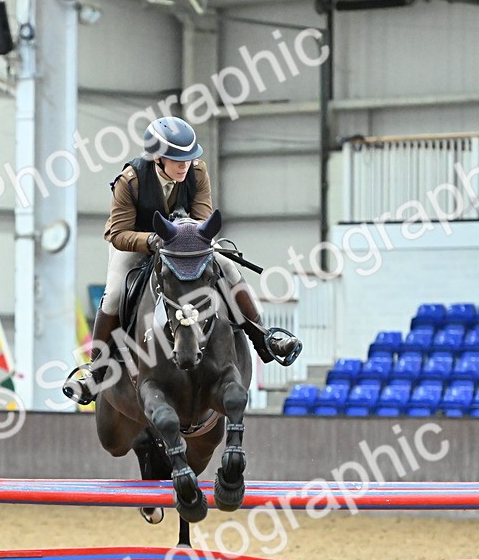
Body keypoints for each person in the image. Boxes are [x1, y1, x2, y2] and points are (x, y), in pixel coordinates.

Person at [63, 116, 301, 405]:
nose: (184, 165)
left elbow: (202, 218)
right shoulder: (130, 181)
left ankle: (264, 337)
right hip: (137, 243)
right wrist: (152, 241)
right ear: (158, 158)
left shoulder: (197, 172)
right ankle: (95, 370)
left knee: (228, 267)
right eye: (177, 159)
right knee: (114, 293)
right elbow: (117, 233)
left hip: (186, 243)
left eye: (188, 158)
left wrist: (185, 238)